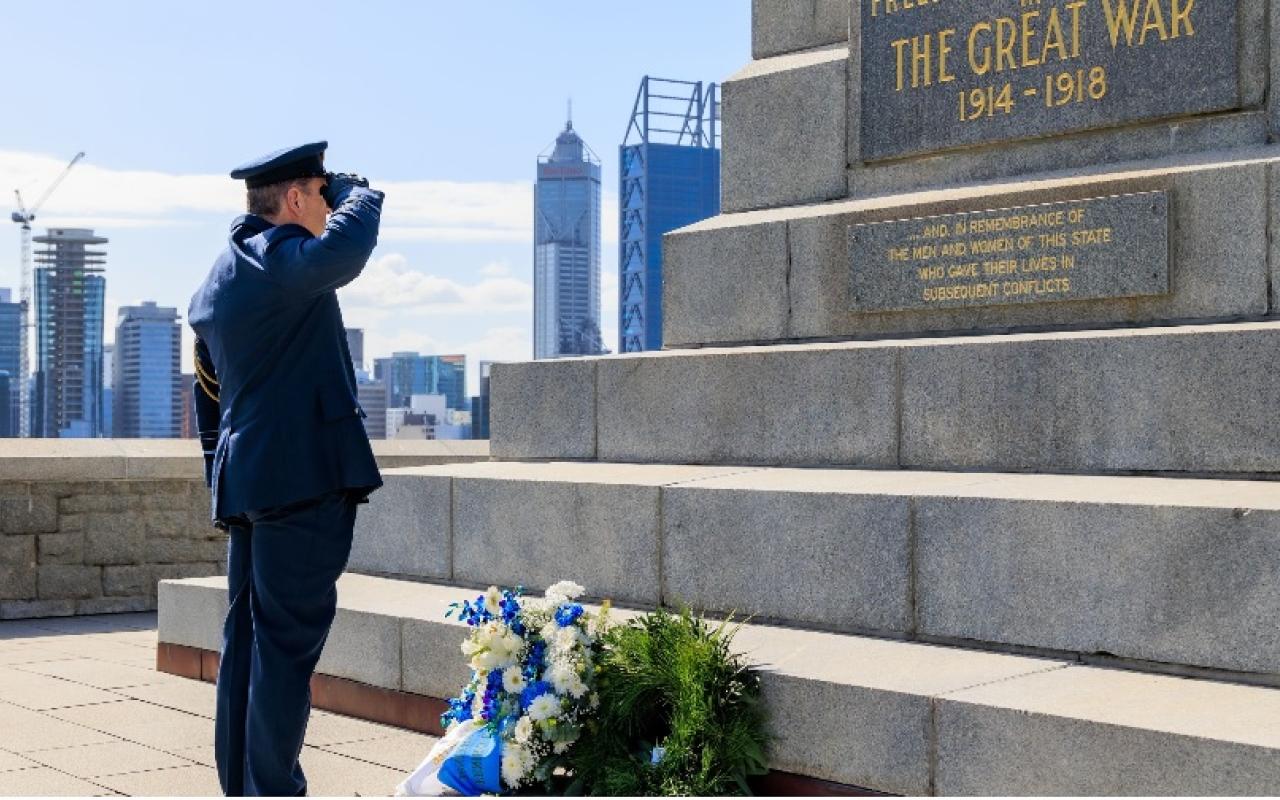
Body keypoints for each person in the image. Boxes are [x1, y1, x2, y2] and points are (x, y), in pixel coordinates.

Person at [188, 141, 385, 796]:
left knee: (247, 643)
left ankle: (244, 786)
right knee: (283, 652)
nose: (331, 209)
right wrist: (364, 193)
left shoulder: (222, 274)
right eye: (322, 195)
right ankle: (272, 790)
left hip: (250, 484)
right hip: (302, 484)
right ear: (296, 198)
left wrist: (221, 476)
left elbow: (207, 396)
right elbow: (345, 253)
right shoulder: (280, 259)